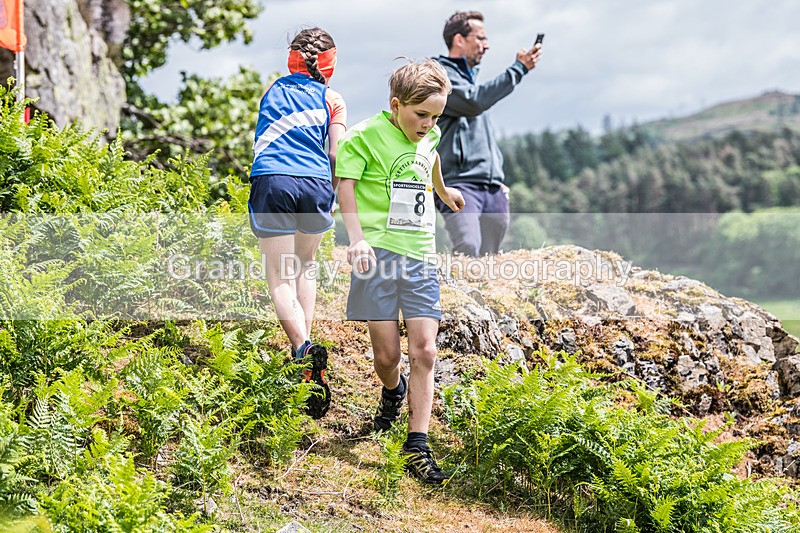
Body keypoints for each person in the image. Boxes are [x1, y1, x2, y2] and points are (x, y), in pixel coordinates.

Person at [336, 59, 465, 484]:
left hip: (421, 256)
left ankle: (417, 445)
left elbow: (431, 158)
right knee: (387, 357)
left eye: (436, 116)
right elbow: (346, 186)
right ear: (396, 105)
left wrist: (443, 191)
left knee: (425, 350)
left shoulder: (431, 134)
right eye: (421, 115)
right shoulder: (363, 137)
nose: (428, 124)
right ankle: (393, 390)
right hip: (377, 255)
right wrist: (356, 239)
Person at [247, 27, 347, 419]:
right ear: (330, 64)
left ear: (291, 59)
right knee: (305, 265)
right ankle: (303, 354)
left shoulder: (271, 90)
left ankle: (303, 349)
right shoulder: (333, 99)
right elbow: (336, 153)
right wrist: (332, 193)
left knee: (279, 277)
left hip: (273, 179)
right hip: (316, 182)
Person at [434, 10, 543, 256]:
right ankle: (452, 283)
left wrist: (496, 176)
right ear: (459, 39)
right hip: (459, 182)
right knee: (468, 245)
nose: (487, 45)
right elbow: (475, 102)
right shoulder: (440, 78)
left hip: (492, 186)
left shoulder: (470, 80)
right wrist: (518, 69)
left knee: (489, 256)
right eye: (480, 38)